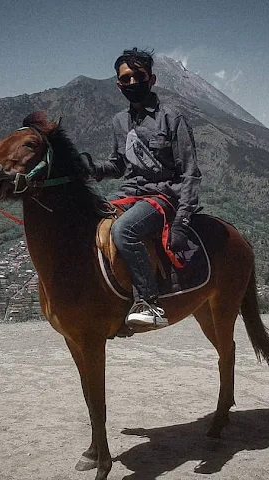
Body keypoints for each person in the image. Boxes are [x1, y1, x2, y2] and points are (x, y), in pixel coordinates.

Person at [88, 48, 202, 328]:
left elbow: (190, 172)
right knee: (86, 218)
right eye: (125, 79)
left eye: (138, 77)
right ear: (118, 85)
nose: (131, 83)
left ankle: (149, 302)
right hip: (129, 194)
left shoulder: (171, 118)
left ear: (151, 79)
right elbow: (118, 165)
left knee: (124, 230)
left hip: (164, 196)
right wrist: (92, 170)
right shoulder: (119, 122)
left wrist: (183, 220)